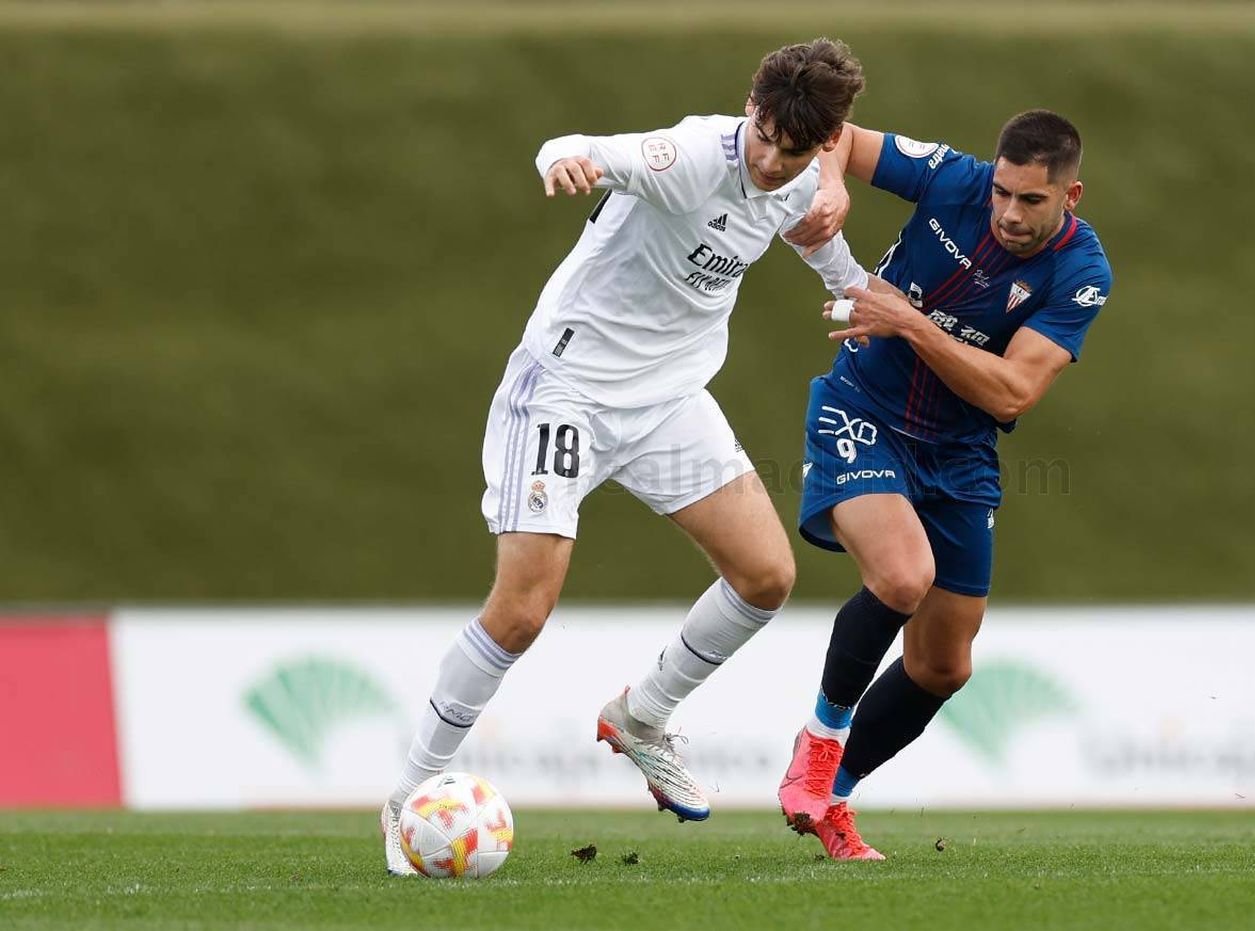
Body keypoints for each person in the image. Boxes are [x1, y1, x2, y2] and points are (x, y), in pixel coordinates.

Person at [380, 38, 871, 876]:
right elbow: (580, 148)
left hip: (668, 401)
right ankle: (410, 797)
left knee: (766, 576)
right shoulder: (689, 156)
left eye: (794, 151)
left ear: (824, 143)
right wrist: (565, 161)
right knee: (522, 611)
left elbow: (836, 269)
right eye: (763, 137)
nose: (768, 160)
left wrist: (872, 303)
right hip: (567, 388)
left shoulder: (798, 183)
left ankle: (643, 716)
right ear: (750, 109)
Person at [777, 110, 1113, 859]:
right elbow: (834, 132)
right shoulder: (951, 177)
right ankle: (818, 746)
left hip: (961, 451)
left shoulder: (1081, 272)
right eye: (1002, 193)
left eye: (1031, 200)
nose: (1007, 213)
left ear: (1072, 195)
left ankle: (832, 795)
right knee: (902, 576)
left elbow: (1012, 394)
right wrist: (831, 188)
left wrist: (910, 321)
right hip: (862, 408)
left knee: (943, 664)